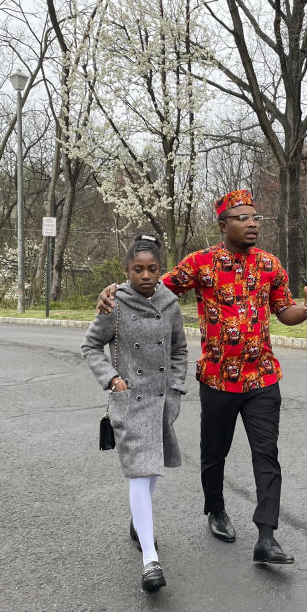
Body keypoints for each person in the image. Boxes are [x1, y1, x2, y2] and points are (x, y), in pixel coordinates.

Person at [97, 190, 307, 565]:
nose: (252, 223)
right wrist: (112, 293)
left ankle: (266, 537)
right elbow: (150, 286)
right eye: (243, 218)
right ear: (223, 225)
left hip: (262, 378)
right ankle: (216, 510)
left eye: (255, 217)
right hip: (217, 380)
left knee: (267, 454)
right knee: (214, 453)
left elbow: (285, 311)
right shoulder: (200, 263)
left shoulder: (269, 265)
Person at [81, 234, 188, 592]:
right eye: (137, 269)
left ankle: (137, 522)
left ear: (160, 270)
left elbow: (179, 350)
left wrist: (176, 387)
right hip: (129, 402)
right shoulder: (116, 303)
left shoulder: (170, 303)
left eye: (152, 269)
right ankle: (149, 561)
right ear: (126, 271)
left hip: (160, 400)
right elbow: (91, 346)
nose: (145, 275)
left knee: (152, 468)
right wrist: (112, 379)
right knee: (140, 473)